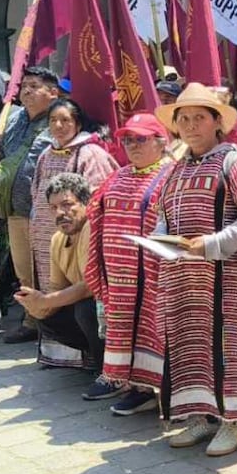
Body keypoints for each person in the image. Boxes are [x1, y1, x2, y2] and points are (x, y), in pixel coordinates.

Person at [153, 83, 237, 456]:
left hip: (230, 277)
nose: (190, 126)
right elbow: (163, 216)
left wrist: (212, 244)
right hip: (185, 278)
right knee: (192, 343)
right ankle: (201, 417)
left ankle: (235, 423)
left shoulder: (232, 162)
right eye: (183, 119)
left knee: (231, 346)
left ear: (218, 122)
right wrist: (159, 241)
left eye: (199, 118)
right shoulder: (175, 168)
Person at [84, 113, 174, 411]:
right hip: (119, 277)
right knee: (125, 330)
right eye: (128, 140)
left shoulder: (171, 175)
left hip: (155, 276)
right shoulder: (119, 175)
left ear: (161, 143)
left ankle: (167, 393)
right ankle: (138, 388)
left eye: (141, 139)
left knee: (156, 330)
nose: (133, 145)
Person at [29, 99, 118, 368]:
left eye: (65, 120)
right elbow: (36, 192)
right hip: (53, 237)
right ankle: (64, 357)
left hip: (84, 236)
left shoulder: (90, 153)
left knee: (82, 306)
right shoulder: (46, 153)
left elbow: (97, 195)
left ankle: (97, 358)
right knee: (48, 300)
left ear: (78, 123)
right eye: (53, 120)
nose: (58, 125)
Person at [0, 67, 61, 344]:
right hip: (15, 209)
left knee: (50, 269)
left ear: (53, 93)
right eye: (24, 86)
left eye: (35, 86)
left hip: (48, 212)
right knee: (25, 270)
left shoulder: (60, 121)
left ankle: (57, 325)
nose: (27, 91)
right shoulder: (12, 120)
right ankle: (31, 320)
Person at [15, 173, 102, 372]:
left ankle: (107, 372)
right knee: (46, 317)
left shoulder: (92, 227)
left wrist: (45, 301)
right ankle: (93, 356)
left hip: (106, 305)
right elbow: (57, 287)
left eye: (67, 204)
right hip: (86, 302)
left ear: (85, 203)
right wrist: (35, 303)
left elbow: (90, 286)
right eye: (53, 208)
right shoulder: (57, 239)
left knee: (86, 309)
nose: (60, 213)